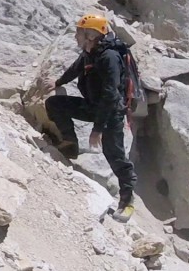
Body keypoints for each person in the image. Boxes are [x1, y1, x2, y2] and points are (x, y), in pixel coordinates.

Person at [38, 14, 137, 222]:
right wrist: (57, 82)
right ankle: (70, 143)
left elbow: (111, 95)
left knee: (115, 155)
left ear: (91, 35)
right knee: (55, 104)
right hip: (94, 106)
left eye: (79, 32)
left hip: (111, 113)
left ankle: (127, 202)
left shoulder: (109, 57)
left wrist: (98, 128)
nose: (76, 36)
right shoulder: (90, 52)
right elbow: (76, 68)